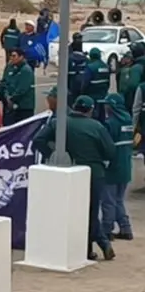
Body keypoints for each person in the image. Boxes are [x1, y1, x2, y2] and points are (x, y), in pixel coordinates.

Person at [32, 95, 116, 261]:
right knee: (91, 212)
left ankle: (93, 247)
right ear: (90, 110)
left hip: (68, 171)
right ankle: (97, 245)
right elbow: (110, 152)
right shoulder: (97, 127)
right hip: (94, 173)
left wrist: (53, 156)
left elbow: (38, 139)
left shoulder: (60, 123)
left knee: (71, 212)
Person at [101, 93, 134, 241]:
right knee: (119, 199)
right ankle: (125, 228)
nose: (105, 107)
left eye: (107, 104)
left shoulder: (110, 124)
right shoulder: (128, 120)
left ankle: (106, 230)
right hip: (126, 166)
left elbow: (106, 146)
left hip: (112, 167)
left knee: (108, 200)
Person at [0, 48, 35, 125]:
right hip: (9, 106)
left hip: (23, 107)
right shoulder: (9, 67)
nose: (11, 58)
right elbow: (5, 81)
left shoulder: (26, 70)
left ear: (21, 57)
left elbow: (22, 89)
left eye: (14, 56)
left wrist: (11, 99)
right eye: (10, 56)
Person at [82, 47, 111, 120]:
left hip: (92, 96)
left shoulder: (90, 67)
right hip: (103, 96)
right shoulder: (106, 66)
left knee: (93, 116)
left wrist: (82, 93)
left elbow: (85, 83)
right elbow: (108, 82)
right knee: (102, 116)